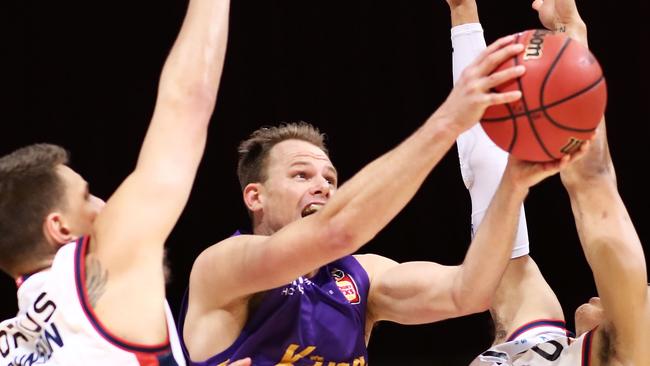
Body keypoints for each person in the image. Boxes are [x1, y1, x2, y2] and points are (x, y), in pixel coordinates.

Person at [178, 24, 590, 362]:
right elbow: (335, 231)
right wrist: (448, 120)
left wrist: (513, 185)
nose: (322, 184)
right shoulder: (222, 267)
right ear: (256, 197)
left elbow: (469, 291)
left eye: (330, 177)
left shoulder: (360, 277)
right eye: (301, 175)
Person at [0, 0, 252, 365]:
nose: (104, 205)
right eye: (86, 198)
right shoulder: (96, 263)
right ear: (60, 227)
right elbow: (187, 104)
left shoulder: (10, 343)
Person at [445, 0, 649, 364]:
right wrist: (463, 15)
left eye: (643, 294)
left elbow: (593, 183)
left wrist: (574, 32)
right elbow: (486, 171)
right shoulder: (545, 343)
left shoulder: (628, 356)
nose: (624, 291)